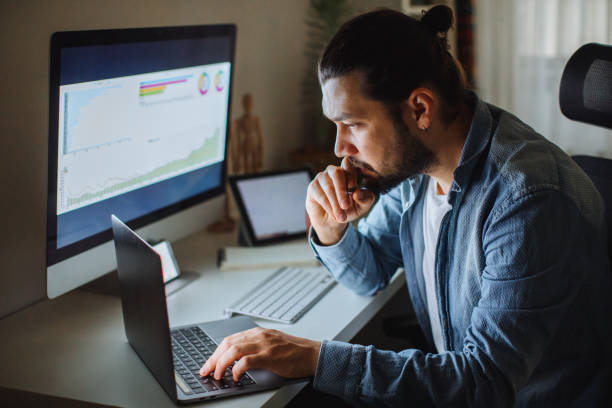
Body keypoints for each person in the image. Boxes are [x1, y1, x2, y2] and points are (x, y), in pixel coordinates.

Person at [200, 6, 612, 406]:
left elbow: (482, 385)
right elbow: (371, 272)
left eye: (353, 125)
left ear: (420, 109)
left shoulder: (528, 201)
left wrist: (313, 356)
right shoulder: (419, 168)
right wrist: (332, 229)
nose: (339, 148)